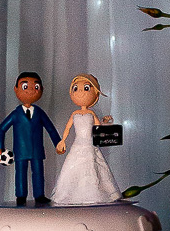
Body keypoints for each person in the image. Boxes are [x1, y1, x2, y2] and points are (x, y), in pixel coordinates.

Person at [51, 74, 121, 206]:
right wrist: (63, 140)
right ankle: (71, 194)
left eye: (86, 88)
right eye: (76, 88)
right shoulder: (75, 114)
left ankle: (96, 193)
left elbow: (98, 127)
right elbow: (68, 128)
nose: (81, 92)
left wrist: (105, 123)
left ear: (95, 93)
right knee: (74, 167)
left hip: (89, 144)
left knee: (92, 166)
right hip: (78, 144)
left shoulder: (91, 114)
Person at [0, 71, 61, 205]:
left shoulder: (40, 113)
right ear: (16, 89)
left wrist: (58, 143)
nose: (31, 90)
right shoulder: (16, 114)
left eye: (36, 87)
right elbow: (1, 129)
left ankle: (39, 195)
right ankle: (20, 196)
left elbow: (50, 129)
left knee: (38, 173)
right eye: (25, 87)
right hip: (20, 151)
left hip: (37, 150)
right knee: (20, 174)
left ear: (41, 89)